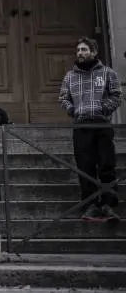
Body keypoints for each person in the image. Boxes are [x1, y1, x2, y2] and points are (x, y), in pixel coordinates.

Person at [59, 37, 122, 222]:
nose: (80, 53)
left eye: (84, 49)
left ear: (94, 52)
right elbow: (63, 98)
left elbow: (117, 95)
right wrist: (73, 110)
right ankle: (90, 206)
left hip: (101, 125)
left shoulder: (108, 73)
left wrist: (103, 108)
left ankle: (108, 205)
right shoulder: (70, 76)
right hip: (81, 127)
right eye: (78, 50)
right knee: (85, 168)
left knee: (106, 165)